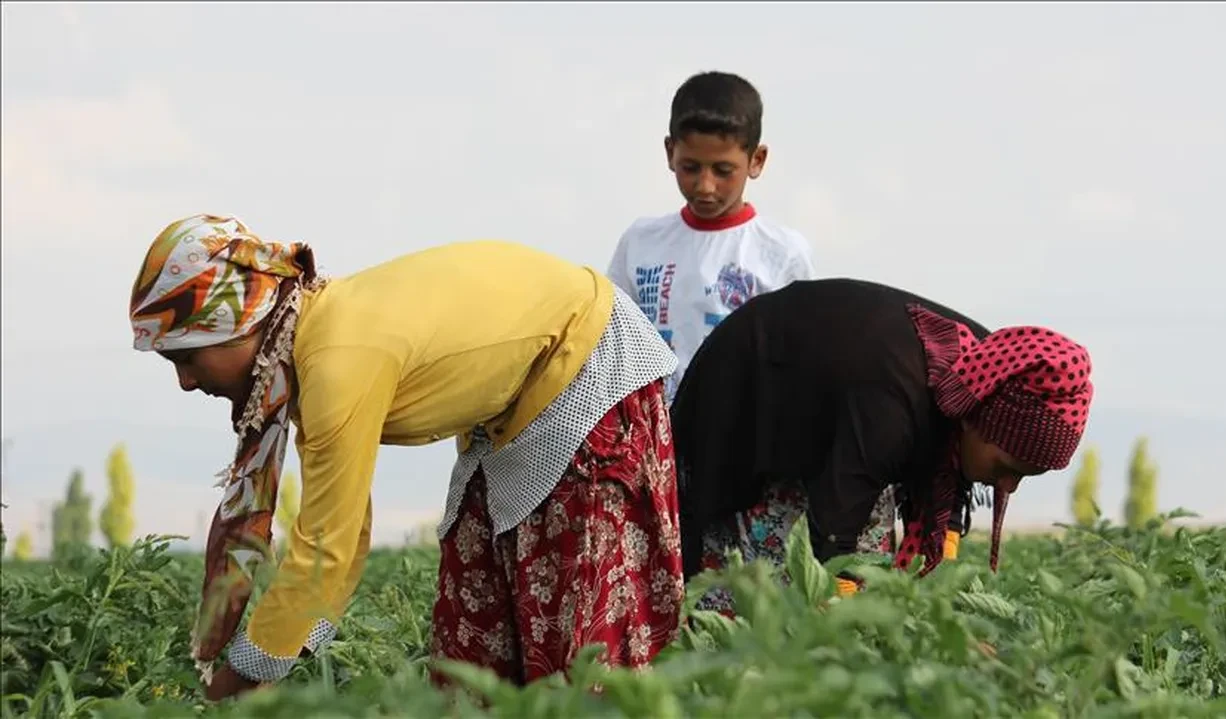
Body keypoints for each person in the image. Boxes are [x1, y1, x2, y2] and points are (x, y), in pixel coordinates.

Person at [127, 215, 685, 700]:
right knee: (476, 631)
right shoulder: (310, 346)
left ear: (238, 326)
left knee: (577, 641)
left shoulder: (335, 361)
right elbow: (340, 537)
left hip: (587, 370)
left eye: (188, 357)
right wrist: (270, 662)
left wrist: (242, 678)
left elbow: (328, 541)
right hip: (512, 406)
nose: (184, 382)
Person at [669, 279, 1094, 612]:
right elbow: (836, 529)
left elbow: (947, 491)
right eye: (1008, 467)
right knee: (752, 589)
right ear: (977, 422)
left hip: (831, 413)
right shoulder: (892, 410)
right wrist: (844, 615)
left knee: (870, 574)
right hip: (749, 391)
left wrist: (936, 600)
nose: (1009, 485)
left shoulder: (987, 373)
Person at [606, 70, 816, 407]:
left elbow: (798, 363)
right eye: (690, 167)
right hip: (655, 440)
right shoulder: (640, 243)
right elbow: (612, 348)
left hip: (741, 440)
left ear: (756, 160)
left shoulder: (782, 253)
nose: (705, 186)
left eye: (722, 170)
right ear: (669, 152)